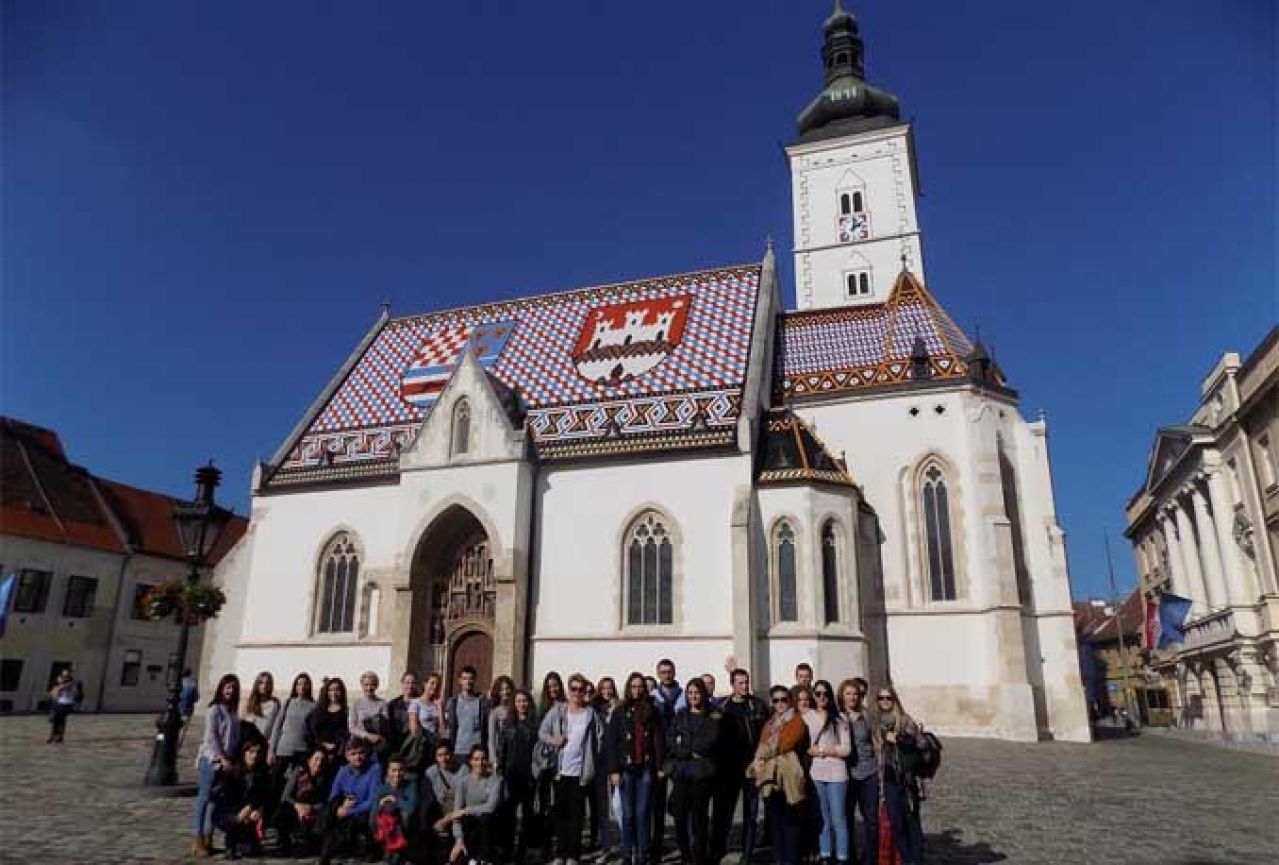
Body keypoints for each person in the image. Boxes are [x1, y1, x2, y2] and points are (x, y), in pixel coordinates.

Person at [540, 672, 601, 865]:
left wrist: (593, 760)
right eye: (573, 688)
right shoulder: (558, 711)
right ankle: (560, 854)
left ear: (585, 692)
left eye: (580, 689)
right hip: (560, 771)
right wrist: (553, 740)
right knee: (560, 815)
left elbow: (599, 738)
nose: (576, 692)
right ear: (568, 690)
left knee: (576, 816)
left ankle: (573, 855)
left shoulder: (591, 714)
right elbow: (542, 731)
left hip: (580, 773)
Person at [711, 667, 768, 865]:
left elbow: (766, 734)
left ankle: (747, 852)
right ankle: (718, 848)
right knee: (723, 811)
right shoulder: (721, 706)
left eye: (746, 682)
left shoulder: (758, 706)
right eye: (740, 683)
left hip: (751, 765)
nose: (745, 686)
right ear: (732, 685)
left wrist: (761, 758)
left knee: (750, 812)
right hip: (727, 768)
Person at [608, 672, 662, 865]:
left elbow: (657, 740)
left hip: (646, 768)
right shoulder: (620, 711)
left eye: (640, 686)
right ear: (628, 688)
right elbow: (612, 742)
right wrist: (613, 770)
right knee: (628, 813)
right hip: (626, 768)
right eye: (634, 686)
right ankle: (626, 852)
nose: (637, 690)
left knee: (642, 812)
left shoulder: (652, 710)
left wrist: (659, 765)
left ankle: (642, 852)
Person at [748, 685, 807, 865]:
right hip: (770, 778)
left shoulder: (796, 721)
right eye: (776, 700)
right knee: (775, 821)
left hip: (788, 777)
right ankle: (780, 859)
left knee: (790, 821)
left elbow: (785, 744)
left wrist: (761, 755)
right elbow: (762, 742)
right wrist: (761, 755)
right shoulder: (770, 723)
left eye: (784, 700)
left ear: (789, 701)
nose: (780, 704)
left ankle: (791, 859)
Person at [665, 678, 719, 865]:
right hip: (682, 773)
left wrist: (687, 746)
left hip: (702, 774)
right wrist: (687, 752)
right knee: (679, 817)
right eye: (690, 693)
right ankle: (685, 854)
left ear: (703, 694)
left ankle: (699, 855)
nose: (693, 696)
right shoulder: (681, 714)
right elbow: (671, 739)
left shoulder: (713, 716)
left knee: (699, 818)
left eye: (697, 693)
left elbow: (709, 743)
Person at [874, 686, 924, 865]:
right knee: (896, 824)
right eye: (881, 698)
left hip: (907, 779)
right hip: (888, 779)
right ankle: (906, 859)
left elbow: (921, 745)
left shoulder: (905, 720)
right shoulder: (877, 723)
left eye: (888, 698)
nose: (885, 701)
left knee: (911, 823)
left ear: (894, 699)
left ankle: (916, 860)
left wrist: (900, 739)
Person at [193, 673, 241, 858]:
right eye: (228, 687)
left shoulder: (232, 712)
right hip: (211, 761)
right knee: (204, 799)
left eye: (233, 688)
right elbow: (211, 737)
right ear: (221, 688)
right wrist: (221, 758)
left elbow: (234, 739)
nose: (230, 691)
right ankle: (197, 839)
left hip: (226, 763)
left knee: (215, 801)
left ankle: (208, 837)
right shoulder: (214, 710)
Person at [807, 680, 852, 865]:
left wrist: (823, 751)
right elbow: (806, 747)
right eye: (817, 693)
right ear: (813, 696)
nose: (821, 697)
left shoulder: (840, 718)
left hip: (837, 775)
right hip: (817, 774)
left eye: (825, 693)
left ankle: (842, 857)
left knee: (839, 819)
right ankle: (825, 854)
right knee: (823, 819)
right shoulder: (807, 717)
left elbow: (846, 749)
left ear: (830, 695)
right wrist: (817, 750)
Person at [319, 739, 384, 865]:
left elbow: (372, 800)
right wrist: (340, 808)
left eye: (361, 753)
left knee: (364, 817)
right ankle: (325, 854)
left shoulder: (375, 769)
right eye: (353, 754)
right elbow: (334, 795)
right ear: (347, 756)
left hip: (364, 809)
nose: (357, 757)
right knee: (330, 812)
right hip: (346, 806)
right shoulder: (342, 771)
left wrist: (349, 811)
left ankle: (371, 850)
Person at [437, 744, 503, 864]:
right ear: (471, 761)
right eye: (476, 759)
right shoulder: (463, 782)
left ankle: (484, 859)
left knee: (485, 818)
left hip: (488, 828)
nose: (480, 762)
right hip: (468, 828)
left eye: (483, 759)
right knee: (455, 857)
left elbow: (491, 807)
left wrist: (466, 810)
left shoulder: (496, 780)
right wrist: (459, 839)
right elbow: (457, 813)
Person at [496, 689, 540, 863]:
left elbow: (538, 751)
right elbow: (501, 750)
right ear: (514, 704)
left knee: (527, 815)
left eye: (524, 701)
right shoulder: (507, 725)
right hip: (510, 773)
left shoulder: (534, 726)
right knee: (509, 814)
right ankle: (506, 849)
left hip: (528, 774)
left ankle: (521, 851)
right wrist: (500, 768)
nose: (522, 704)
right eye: (519, 701)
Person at [838, 679, 878, 865]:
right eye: (848, 693)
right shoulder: (837, 717)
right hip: (846, 775)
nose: (852, 697)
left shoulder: (867, 716)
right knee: (846, 818)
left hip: (868, 773)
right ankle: (850, 857)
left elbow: (876, 743)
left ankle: (870, 858)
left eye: (855, 694)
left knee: (871, 819)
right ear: (842, 696)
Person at [212, 739, 273, 859]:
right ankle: (230, 845)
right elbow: (227, 798)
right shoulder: (232, 772)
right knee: (234, 821)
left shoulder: (262, 773)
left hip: (250, 813)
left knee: (250, 850)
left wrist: (257, 810)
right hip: (230, 812)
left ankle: (245, 839)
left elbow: (264, 795)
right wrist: (241, 813)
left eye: (257, 752)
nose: (254, 756)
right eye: (251, 752)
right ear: (244, 753)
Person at [649, 659, 683, 864]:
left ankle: (683, 841)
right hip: (660, 755)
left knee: (680, 802)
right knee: (657, 803)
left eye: (669, 671)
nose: (666, 675)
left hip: (679, 755)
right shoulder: (653, 697)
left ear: (674, 672)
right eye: (663, 672)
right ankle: (656, 844)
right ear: (658, 674)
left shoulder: (684, 694)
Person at [276, 749, 329, 857]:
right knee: (282, 809)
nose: (319, 763)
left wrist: (311, 808)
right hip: (297, 807)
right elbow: (285, 796)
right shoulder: (298, 772)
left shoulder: (328, 777)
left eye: (322, 760)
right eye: (316, 759)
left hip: (317, 810)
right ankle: (285, 843)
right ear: (309, 760)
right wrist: (297, 806)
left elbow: (328, 800)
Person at [591, 676, 621, 860]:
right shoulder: (594, 709)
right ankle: (605, 845)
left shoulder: (619, 707)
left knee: (618, 806)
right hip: (598, 762)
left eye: (610, 688)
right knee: (601, 808)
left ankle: (624, 842)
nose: (607, 691)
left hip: (616, 762)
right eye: (603, 688)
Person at [269, 673, 317, 786]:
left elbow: (313, 731)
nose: (302, 687)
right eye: (299, 684)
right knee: (274, 783)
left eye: (306, 684)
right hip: (283, 749)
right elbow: (277, 726)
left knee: (295, 785)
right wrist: (271, 751)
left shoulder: (313, 706)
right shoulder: (288, 702)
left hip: (302, 751)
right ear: (295, 686)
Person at [372, 756, 420, 864]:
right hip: (386, 832)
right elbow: (373, 814)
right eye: (394, 770)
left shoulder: (410, 786)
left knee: (406, 815)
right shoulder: (382, 788)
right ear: (388, 771)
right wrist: (381, 806)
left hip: (405, 833)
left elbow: (411, 808)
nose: (397, 774)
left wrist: (394, 799)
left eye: (400, 770)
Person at [422, 741, 460, 852]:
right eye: (439, 755)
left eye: (446, 754)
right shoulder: (431, 772)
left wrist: (445, 820)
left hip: (456, 811)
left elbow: (463, 803)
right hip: (439, 810)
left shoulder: (462, 771)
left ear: (452, 754)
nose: (443, 759)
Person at [446, 665, 489, 758]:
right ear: (460, 681)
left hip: (477, 752)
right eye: (465, 678)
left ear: (475, 680)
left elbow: (485, 727)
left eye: (471, 679)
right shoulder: (453, 702)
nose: (468, 682)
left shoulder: (481, 702)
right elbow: (450, 726)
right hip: (458, 750)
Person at [307, 677, 351, 766]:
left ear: (342, 692)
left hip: (337, 756)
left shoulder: (347, 712)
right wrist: (322, 744)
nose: (334, 693)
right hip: (316, 754)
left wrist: (335, 747)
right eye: (331, 690)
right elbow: (309, 732)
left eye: (337, 690)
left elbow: (346, 734)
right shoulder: (318, 711)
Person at [350, 670, 390, 761]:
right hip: (359, 744)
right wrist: (367, 735)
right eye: (366, 685)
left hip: (377, 745)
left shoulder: (382, 703)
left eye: (372, 684)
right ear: (362, 685)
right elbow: (352, 728)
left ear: (376, 685)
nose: (369, 688)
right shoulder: (356, 703)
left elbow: (384, 725)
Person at [394, 706, 434, 781]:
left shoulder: (427, 737)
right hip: (402, 769)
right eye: (411, 718)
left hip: (417, 771)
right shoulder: (403, 734)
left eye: (415, 718)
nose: (413, 722)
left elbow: (418, 758)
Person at [386, 671, 420, 754]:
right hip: (397, 746)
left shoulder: (421, 702)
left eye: (413, 683)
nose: (410, 686)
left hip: (416, 747)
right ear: (402, 684)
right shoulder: (392, 704)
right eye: (407, 683)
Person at [487, 675, 516, 765]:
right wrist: (493, 759)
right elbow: (491, 740)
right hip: (501, 754)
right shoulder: (495, 713)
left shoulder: (516, 708)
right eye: (501, 690)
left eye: (507, 688)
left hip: (516, 753)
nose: (505, 692)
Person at [410, 673, 445, 749]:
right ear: (425, 684)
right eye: (432, 683)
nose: (435, 687)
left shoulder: (438, 704)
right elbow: (414, 729)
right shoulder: (416, 703)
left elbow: (442, 730)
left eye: (437, 684)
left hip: (435, 744)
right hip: (422, 745)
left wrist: (440, 708)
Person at [47, 669, 77, 744]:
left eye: (65, 676)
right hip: (58, 703)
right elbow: (53, 693)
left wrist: (57, 688)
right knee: (56, 720)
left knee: (61, 720)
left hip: (66, 704)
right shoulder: (59, 684)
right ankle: (53, 735)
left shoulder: (71, 683)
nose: (63, 678)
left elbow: (61, 688)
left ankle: (59, 736)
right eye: (62, 676)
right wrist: (55, 690)